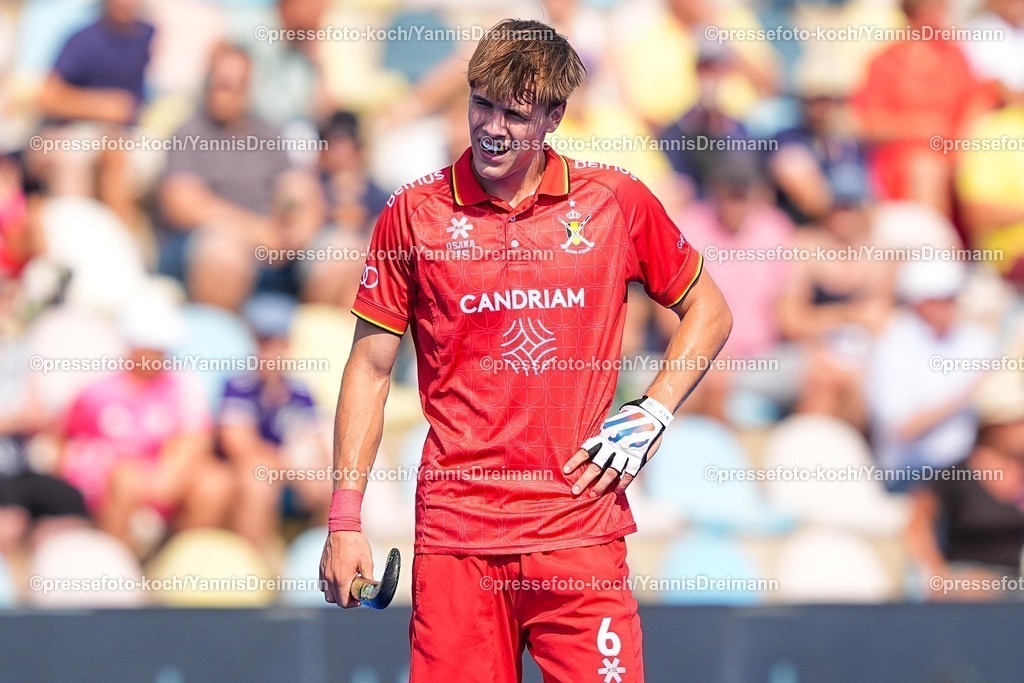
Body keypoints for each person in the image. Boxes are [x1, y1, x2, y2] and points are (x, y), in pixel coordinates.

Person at [319, 19, 732, 683]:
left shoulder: (615, 200)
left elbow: (709, 310)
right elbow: (369, 367)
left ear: (555, 117)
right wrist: (344, 517)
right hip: (458, 539)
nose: (492, 128)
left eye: (515, 114)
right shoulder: (413, 212)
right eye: (481, 104)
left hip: (579, 531)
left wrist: (653, 409)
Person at [59, 305, 234, 548]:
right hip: (108, 481)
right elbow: (65, 439)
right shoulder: (97, 387)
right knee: (126, 479)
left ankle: (181, 559)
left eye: (160, 350)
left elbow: (195, 439)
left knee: (215, 484)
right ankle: (116, 559)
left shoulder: (182, 386)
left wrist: (169, 475)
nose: (155, 357)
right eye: (150, 348)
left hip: (162, 477)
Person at [865, 260, 997, 492]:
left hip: (969, 471)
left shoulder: (975, 339)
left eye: (953, 298)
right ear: (920, 303)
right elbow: (900, 428)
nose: (951, 307)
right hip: (912, 475)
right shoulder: (892, 346)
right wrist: (968, 393)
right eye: (943, 299)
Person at [217, 293, 325, 553]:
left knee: (333, 484)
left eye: (275, 342)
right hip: (258, 475)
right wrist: (292, 467)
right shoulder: (238, 387)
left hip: (290, 478)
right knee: (258, 479)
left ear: (287, 345)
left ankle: (321, 560)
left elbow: (316, 443)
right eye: (262, 341)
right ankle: (253, 563)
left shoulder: (301, 392)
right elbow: (237, 446)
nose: (268, 351)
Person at [33, 0, 154, 228]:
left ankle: (121, 238)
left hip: (130, 135)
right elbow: (47, 97)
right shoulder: (83, 40)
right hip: (81, 132)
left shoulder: (150, 36)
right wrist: (102, 106)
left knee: (117, 154)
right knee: (85, 157)